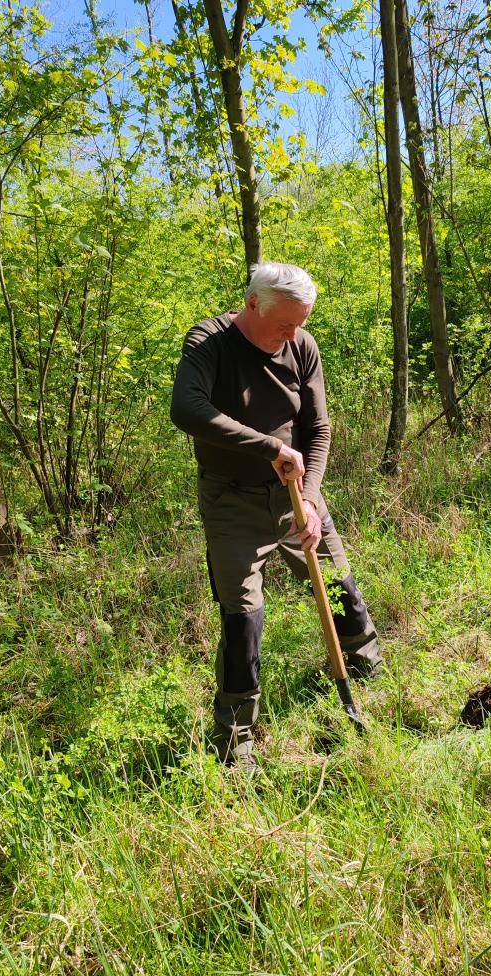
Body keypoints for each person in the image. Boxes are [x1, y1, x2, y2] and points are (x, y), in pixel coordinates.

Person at [170, 261, 383, 768]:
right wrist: (268, 446)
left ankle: (365, 663)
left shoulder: (300, 346)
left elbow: (318, 429)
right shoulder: (209, 343)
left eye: (301, 323)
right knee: (242, 616)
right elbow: (188, 410)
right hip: (231, 500)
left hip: (294, 494)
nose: (293, 335)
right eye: (285, 324)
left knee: (334, 581)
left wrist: (308, 499)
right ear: (251, 304)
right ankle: (237, 735)